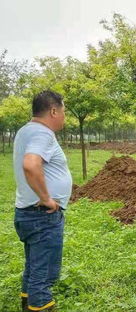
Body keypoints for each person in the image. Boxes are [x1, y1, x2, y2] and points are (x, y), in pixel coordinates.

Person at [13, 90, 71, 311]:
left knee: (34, 265)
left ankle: (27, 301)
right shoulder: (42, 133)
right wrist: (46, 198)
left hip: (26, 213)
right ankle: (40, 305)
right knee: (44, 272)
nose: (64, 117)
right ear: (53, 111)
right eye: (63, 112)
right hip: (42, 216)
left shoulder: (25, 131)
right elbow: (30, 164)